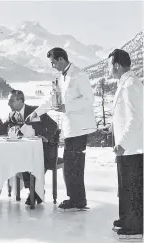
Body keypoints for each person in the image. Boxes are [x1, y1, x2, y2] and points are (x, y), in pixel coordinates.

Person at [29, 48, 96, 210]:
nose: (52, 66)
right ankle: (75, 199)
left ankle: (78, 201)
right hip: (69, 128)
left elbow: (89, 99)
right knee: (70, 165)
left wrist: (68, 107)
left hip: (79, 128)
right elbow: (50, 100)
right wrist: (36, 112)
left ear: (60, 59)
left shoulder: (79, 75)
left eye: (53, 62)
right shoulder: (60, 78)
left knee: (74, 165)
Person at [102, 49, 143, 238]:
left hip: (133, 147)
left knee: (132, 185)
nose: (108, 69)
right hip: (126, 145)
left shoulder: (130, 85)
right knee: (125, 184)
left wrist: (123, 143)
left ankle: (134, 226)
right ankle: (126, 217)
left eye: (109, 65)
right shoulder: (124, 83)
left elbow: (136, 119)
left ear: (116, 65)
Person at [0, 89, 59, 205]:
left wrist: (45, 137)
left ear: (20, 100)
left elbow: (53, 126)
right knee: (16, 160)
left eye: (11, 101)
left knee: (28, 161)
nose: (8, 104)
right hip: (24, 151)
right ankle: (34, 191)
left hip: (44, 150)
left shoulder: (35, 111)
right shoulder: (12, 115)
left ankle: (35, 191)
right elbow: (2, 128)